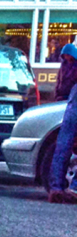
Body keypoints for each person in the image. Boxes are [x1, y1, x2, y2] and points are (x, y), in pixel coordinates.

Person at [48, 42, 77, 203]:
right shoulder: (69, 66)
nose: (68, 60)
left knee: (62, 147)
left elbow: (60, 87)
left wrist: (60, 99)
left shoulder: (64, 66)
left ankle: (56, 188)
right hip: (70, 103)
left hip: (69, 105)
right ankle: (74, 187)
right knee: (63, 147)